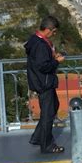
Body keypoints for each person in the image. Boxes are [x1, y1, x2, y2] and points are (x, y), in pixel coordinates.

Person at [25, 15, 65, 153]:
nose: (54, 35)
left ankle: (38, 137)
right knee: (48, 114)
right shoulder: (41, 45)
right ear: (48, 30)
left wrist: (52, 57)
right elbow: (43, 66)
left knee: (53, 107)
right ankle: (47, 144)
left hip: (42, 81)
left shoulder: (36, 40)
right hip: (44, 82)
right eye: (54, 32)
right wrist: (57, 61)